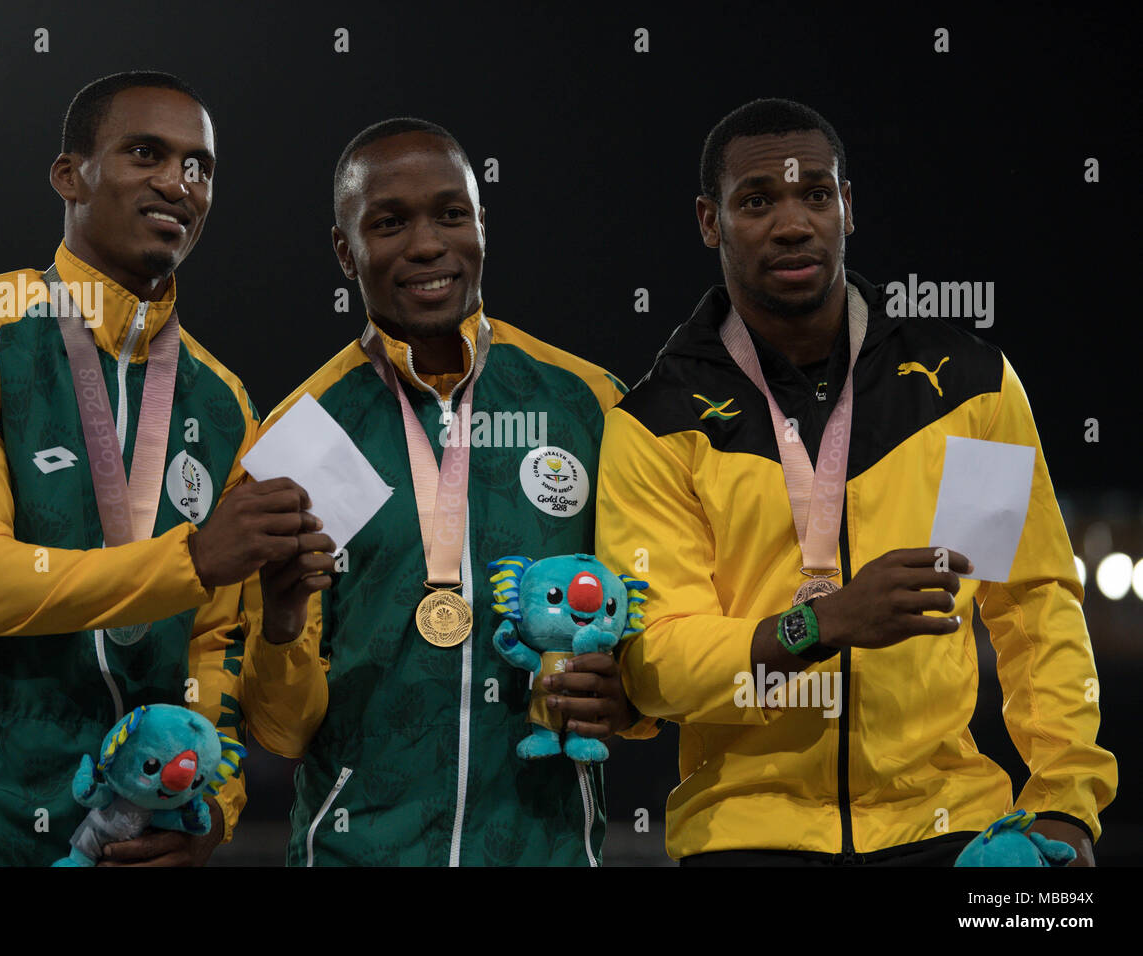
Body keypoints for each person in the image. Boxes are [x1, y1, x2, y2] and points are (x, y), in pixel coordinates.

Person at [596, 98, 1117, 866]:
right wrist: (827, 622)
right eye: (757, 200)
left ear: (849, 205)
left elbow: (1031, 606)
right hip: (750, 834)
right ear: (710, 221)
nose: (793, 223)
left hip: (951, 821)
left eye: (815, 194)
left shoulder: (965, 389)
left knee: (1049, 917)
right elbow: (656, 665)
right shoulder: (658, 423)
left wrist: (1067, 804)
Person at [0, 71, 328, 866]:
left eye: (199, 166)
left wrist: (210, 809)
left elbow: (210, 648)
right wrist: (188, 559)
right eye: (144, 153)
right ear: (69, 175)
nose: (176, 183)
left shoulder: (223, 403)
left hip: (136, 835)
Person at [240, 118, 651, 866]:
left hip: (547, 849)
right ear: (345, 250)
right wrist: (279, 617)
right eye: (390, 223)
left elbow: (652, 618)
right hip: (353, 852)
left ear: (482, 225)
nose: (427, 245)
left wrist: (634, 700)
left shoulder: (588, 404)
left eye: (451, 214)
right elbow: (283, 730)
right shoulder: (302, 435)